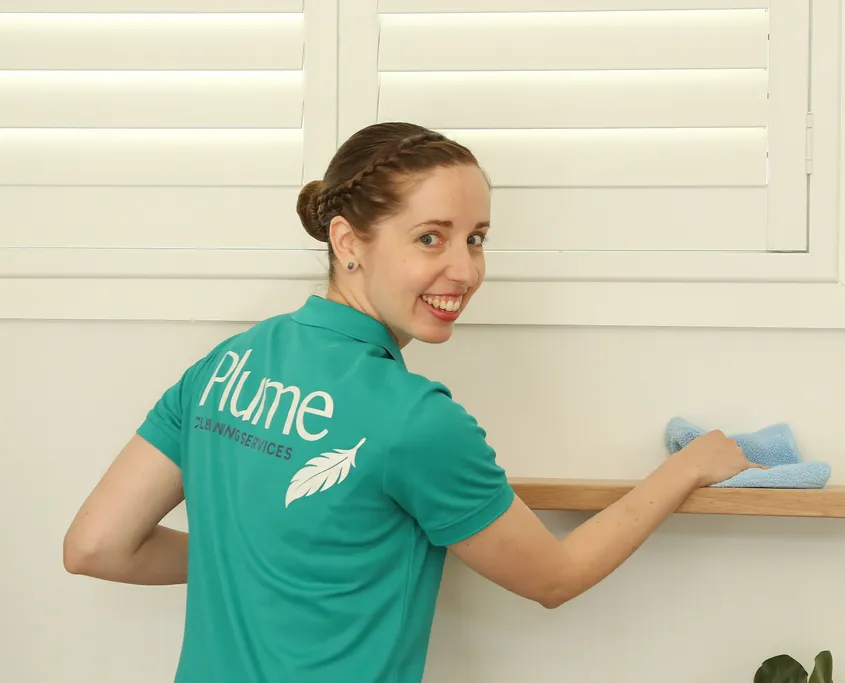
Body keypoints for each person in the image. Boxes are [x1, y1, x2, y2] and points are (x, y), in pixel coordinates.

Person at [62, 122, 762, 682]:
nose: (464, 268)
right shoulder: (413, 417)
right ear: (347, 242)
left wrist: (250, 554)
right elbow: (555, 576)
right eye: (431, 237)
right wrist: (690, 466)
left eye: (476, 238)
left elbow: (95, 545)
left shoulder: (226, 365)